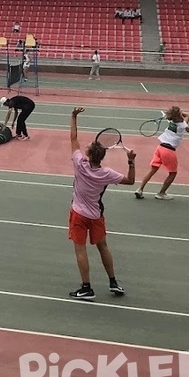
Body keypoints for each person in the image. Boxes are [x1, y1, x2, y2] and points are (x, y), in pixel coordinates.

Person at [67, 107, 135, 300]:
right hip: (96, 215)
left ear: (89, 154)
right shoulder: (107, 174)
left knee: (80, 249)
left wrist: (73, 116)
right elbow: (130, 181)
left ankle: (87, 288)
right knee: (103, 246)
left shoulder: (79, 164)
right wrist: (131, 162)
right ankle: (113, 282)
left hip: (79, 214)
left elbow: (73, 139)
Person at [135, 106, 189, 200]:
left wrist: (171, 114)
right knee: (173, 173)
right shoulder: (182, 125)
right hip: (169, 151)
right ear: (178, 115)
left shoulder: (171, 122)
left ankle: (139, 189)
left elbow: (183, 115)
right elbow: (188, 116)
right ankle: (161, 193)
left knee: (152, 170)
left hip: (159, 148)